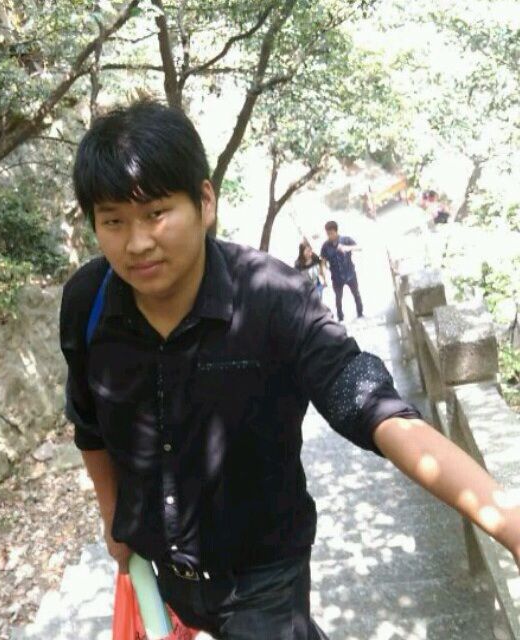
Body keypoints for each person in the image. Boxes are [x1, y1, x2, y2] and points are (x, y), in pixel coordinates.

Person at [61, 99, 520, 640]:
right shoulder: (89, 302)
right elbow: (89, 424)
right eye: (113, 221)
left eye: (157, 213)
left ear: (204, 201)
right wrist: (114, 522)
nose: (137, 242)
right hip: (158, 576)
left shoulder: (273, 298)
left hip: (264, 579)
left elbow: (368, 402)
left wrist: (508, 522)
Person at [319, 221, 363, 322]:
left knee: (356, 294)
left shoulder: (345, 240)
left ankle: (360, 313)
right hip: (336, 277)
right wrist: (323, 277)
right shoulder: (325, 246)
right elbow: (322, 262)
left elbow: (359, 247)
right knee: (338, 298)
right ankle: (340, 317)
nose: (329, 236)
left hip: (350, 273)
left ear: (336, 231)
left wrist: (347, 248)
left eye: (331, 233)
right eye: (328, 234)